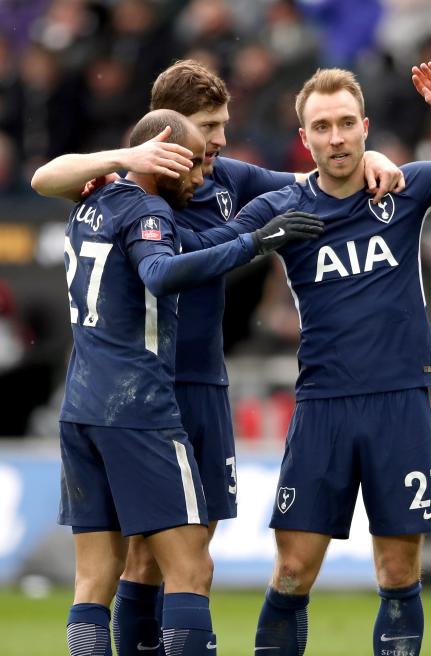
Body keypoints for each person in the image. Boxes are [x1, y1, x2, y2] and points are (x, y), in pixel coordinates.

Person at [31, 59, 403, 656]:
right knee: (154, 565)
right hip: (148, 392)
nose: (222, 139)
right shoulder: (142, 189)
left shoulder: (219, 177)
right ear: (169, 133)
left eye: (224, 124)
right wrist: (250, 239)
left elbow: (313, 181)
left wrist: (372, 162)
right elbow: (52, 183)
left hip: (191, 382)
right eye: (210, 126)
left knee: (163, 556)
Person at [181, 66, 431, 656]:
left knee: (398, 571)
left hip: (400, 400)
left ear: (365, 127)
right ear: (305, 138)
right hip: (322, 405)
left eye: (346, 123)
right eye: (322, 127)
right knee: (293, 571)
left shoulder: (407, 188)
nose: (336, 137)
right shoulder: (280, 205)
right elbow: (203, 252)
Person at [57, 108, 323, 656]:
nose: (204, 178)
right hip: (137, 410)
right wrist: (257, 243)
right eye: (197, 165)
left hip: (80, 405)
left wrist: (255, 225)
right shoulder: (147, 210)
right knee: (192, 570)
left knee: (92, 583)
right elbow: (159, 271)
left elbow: (184, 243)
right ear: (166, 157)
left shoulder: (91, 197)